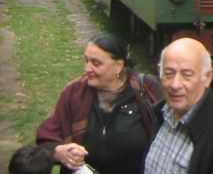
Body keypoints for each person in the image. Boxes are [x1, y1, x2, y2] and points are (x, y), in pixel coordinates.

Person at [36, 33, 163, 174]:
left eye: (96, 63)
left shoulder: (145, 89)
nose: (87, 69)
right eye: (86, 61)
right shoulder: (75, 92)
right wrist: (58, 151)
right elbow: (45, 137)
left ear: (119, 65)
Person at [144, 38, 213, 174]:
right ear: (160, 71)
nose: (175, 84)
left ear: (207, 77)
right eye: (169, 74)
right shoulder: (157, 114)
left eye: (187, 75)